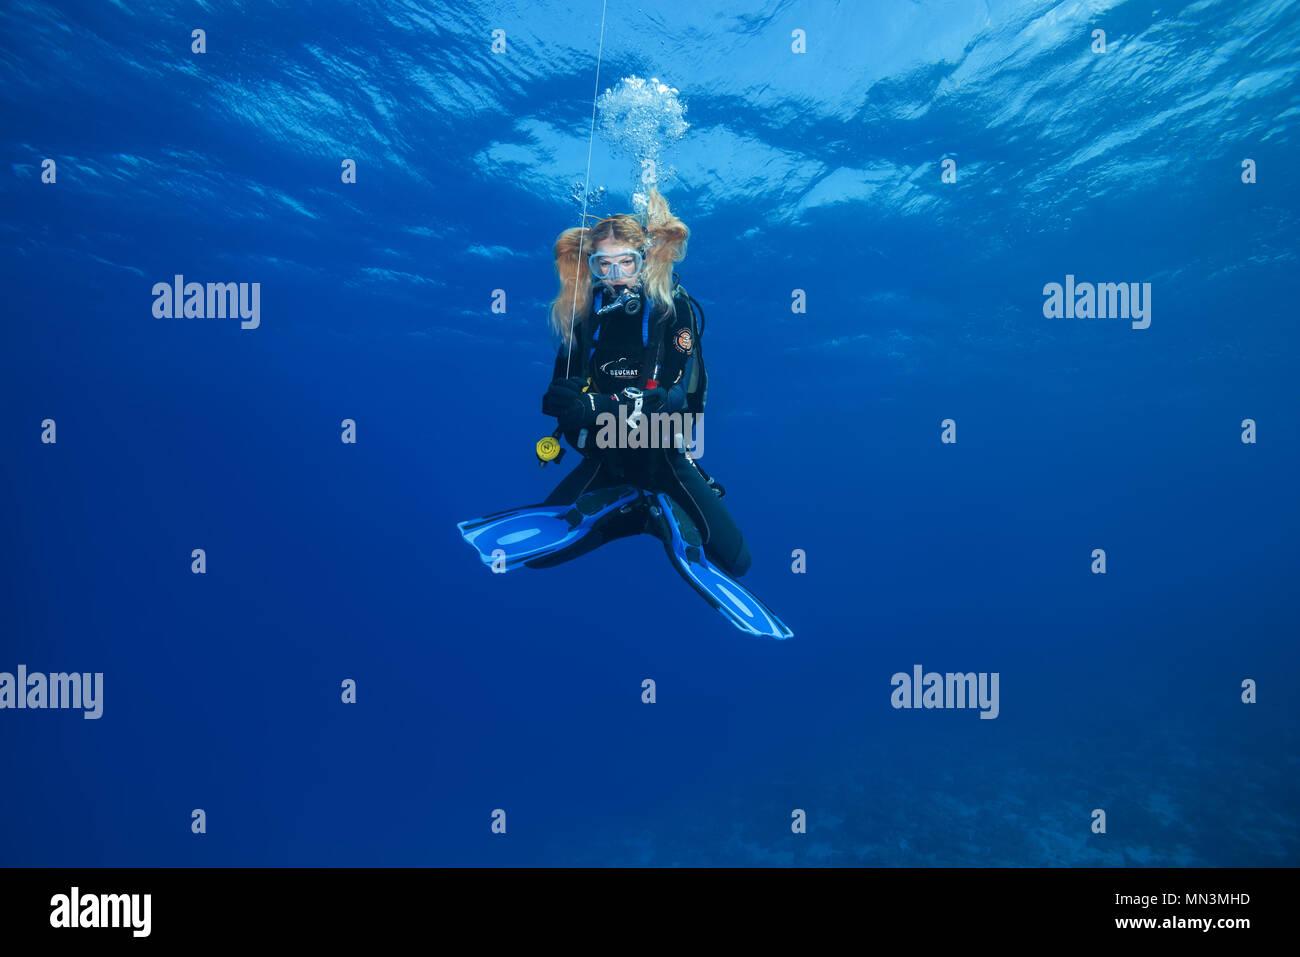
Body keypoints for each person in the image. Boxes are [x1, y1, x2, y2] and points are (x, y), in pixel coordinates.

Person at [458, 188, 791, 638]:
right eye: (604, 264)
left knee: (738, 562)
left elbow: (680, 396)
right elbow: (563, 391)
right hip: (607, 457)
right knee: (539, 555)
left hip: (662, 454)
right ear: (592, 265)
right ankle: (635, 511)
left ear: (645, 257)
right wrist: (566, 406)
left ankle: (655, 510)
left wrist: (618, 403)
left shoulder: (673, 311)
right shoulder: (584, 315)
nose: (616, 276)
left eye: (626, 262)